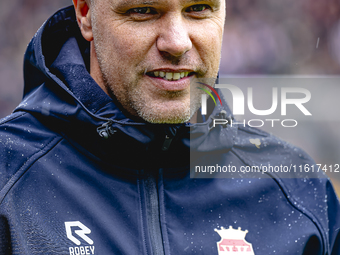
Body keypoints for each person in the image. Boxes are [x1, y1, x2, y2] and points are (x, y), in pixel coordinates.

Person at [0, 0, 339, 254]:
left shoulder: (298, 192)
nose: (177, 42)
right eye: (144, 10)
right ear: (86, 12)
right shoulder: (8, 180)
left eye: (199, 8)